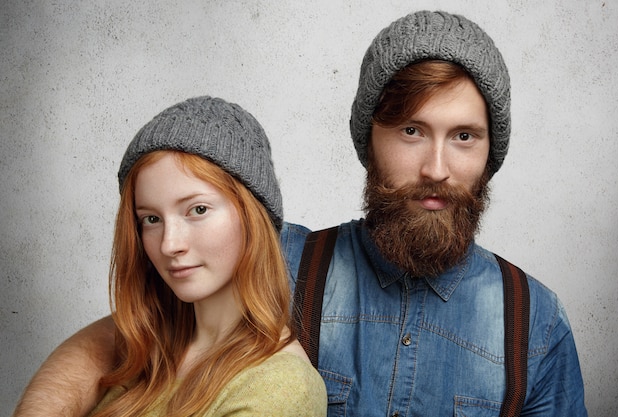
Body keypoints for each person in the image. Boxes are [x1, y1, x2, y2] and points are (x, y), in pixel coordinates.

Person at [13, 10, 586, 417]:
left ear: (490, 153)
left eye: (464, 135)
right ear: (370, 140)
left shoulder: (535, 324)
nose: (436, 166)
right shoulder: (280, 259)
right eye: (411, 131)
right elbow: (122, 339)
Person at [15, 96, 327, 416]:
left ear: (254, 216)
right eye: (151, 219)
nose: (169, 244)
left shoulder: (280, 389)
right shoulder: (150, 348)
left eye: (198, 210)